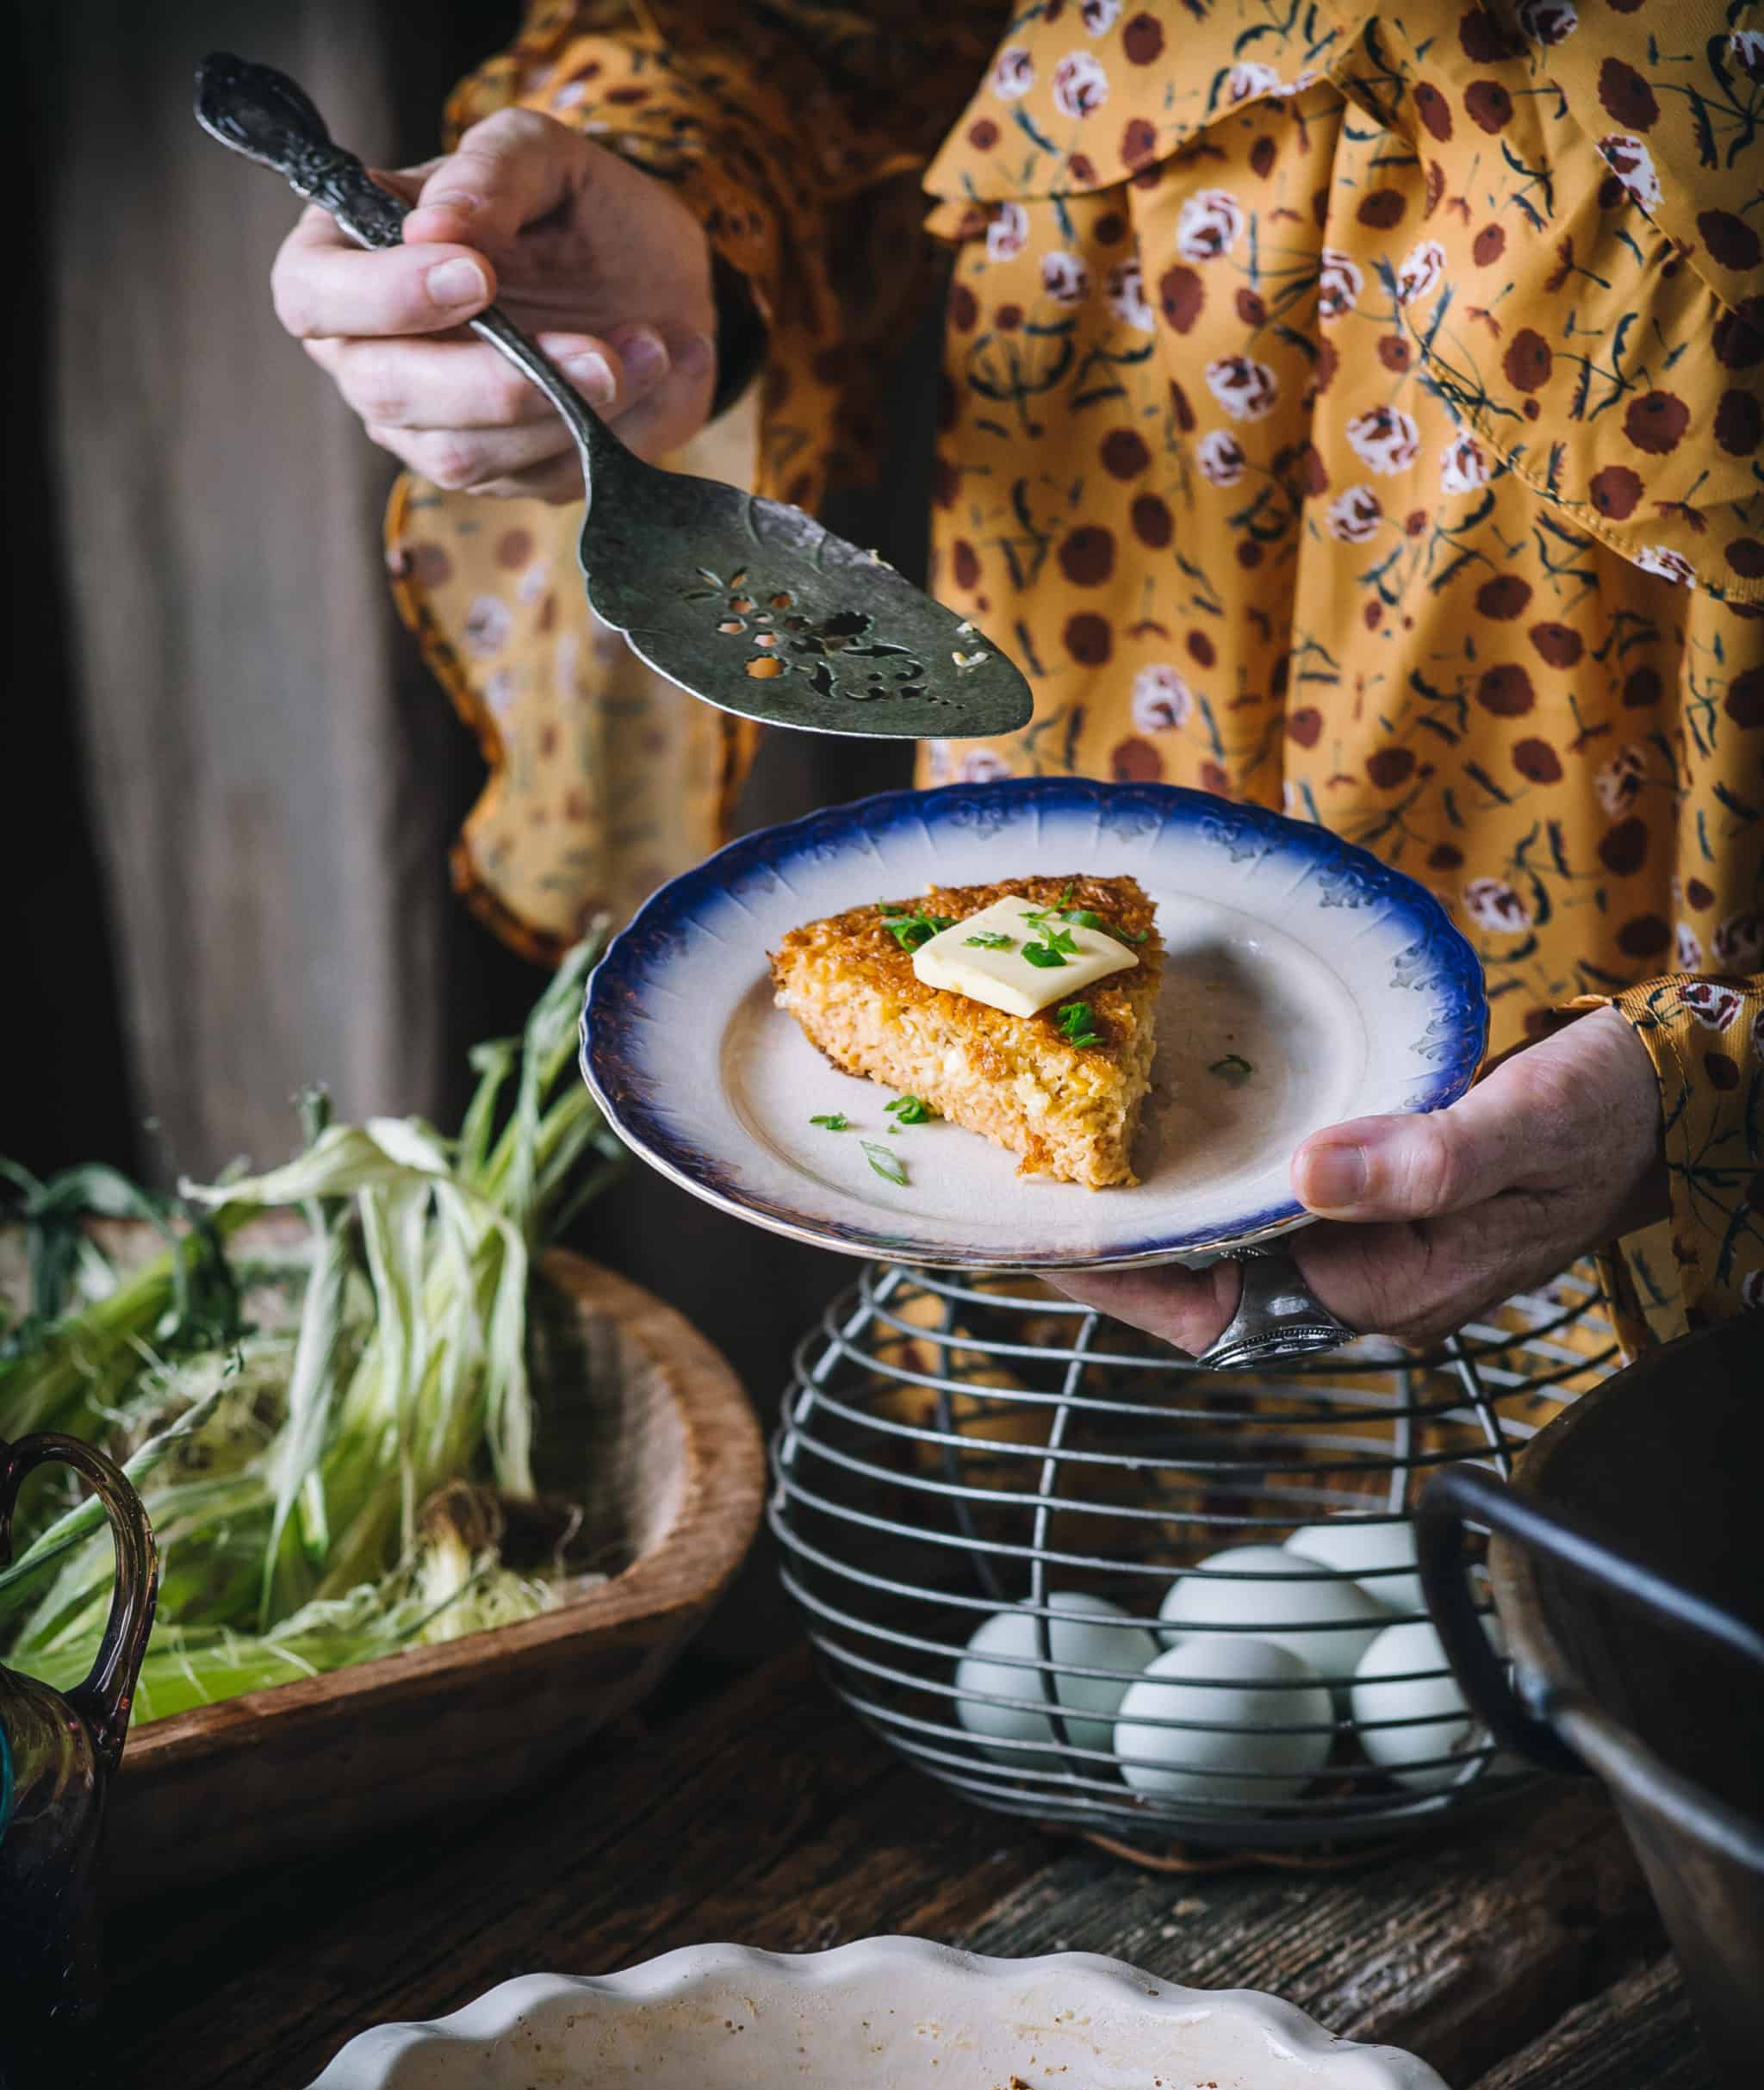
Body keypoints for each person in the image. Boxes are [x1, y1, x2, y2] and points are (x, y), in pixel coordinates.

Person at [270, 0, 1764, 1359]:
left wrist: (1715, 1089)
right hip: (1125, 433)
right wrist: (679, 209)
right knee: (1066, 1406)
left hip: (1617, 570)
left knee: (1577, 1462)